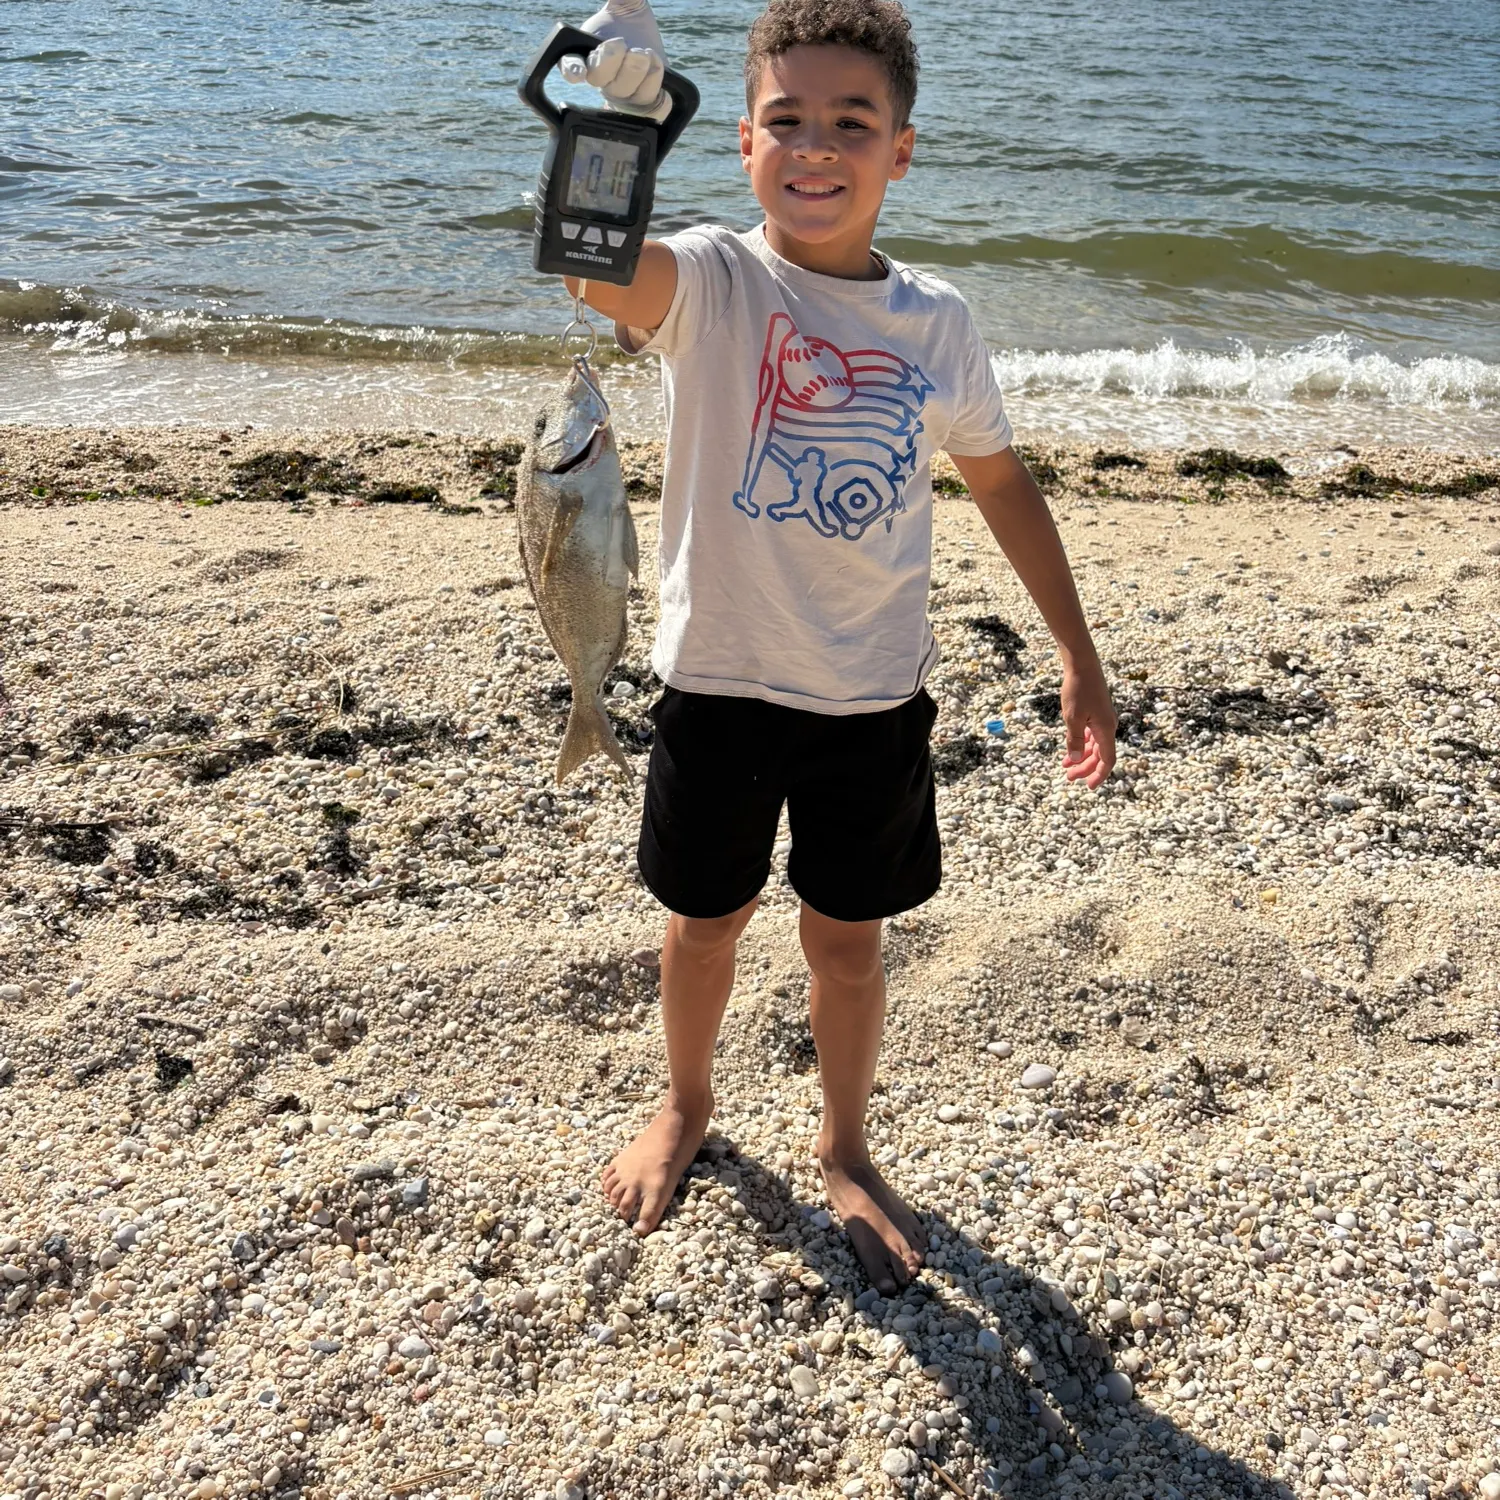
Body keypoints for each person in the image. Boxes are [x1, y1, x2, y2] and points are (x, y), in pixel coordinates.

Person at [558, 0, 1117, 1296]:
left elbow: (1001, 482)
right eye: (786, 120)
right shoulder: (713, 280)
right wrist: (606, 124)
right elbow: (588, 265)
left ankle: (846, 1144)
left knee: (849, 941)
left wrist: (1077, 655)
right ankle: (687, 1101)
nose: (817, 146)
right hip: (719, 683)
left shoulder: (939, 322)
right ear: (744, 142)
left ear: (902, 150)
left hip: (872, 695)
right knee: (704, 925)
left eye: (849, 122)